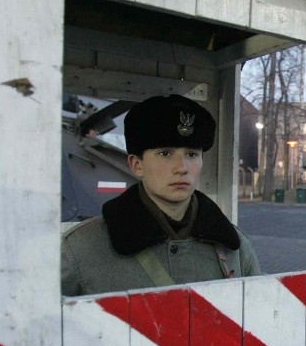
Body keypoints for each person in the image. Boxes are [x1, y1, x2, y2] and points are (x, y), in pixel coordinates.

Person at [62, 94, 261, 296]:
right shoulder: (81, 250)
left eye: (192, 154)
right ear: (136, 165)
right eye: (165, 153)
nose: (182, 168)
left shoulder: (235, 247)